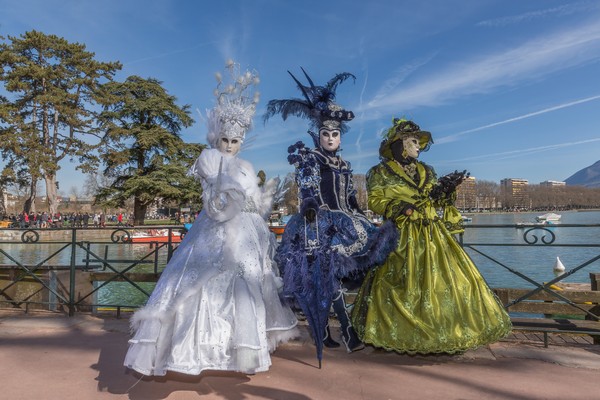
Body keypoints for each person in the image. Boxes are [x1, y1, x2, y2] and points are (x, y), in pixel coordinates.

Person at [124, 61, 298, 376]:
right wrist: (231, 200)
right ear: (217, 139)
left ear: (241, 140)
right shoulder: (209, 158)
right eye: (225, 140)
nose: (229, 146)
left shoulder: (245, 164)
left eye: (235, 141)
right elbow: (216, 198)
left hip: (248, 235)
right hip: (215, 232)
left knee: (245, 288)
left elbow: (254, 201)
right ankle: (195, 352)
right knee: (203, 286)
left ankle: (238, 352)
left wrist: (252, 207)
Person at [264, 69, 397, 366]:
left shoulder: (345, 163)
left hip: (346, 222)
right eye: (326, 134)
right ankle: (338, 332)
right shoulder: (311, 158)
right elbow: (308, 188)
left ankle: (334, 331)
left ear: (340, 137)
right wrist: (311, 207)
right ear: (319, 135)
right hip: (317, 223)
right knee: (322, 276)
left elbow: (349, 196)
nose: (330, 138)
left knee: (333, 275)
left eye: (335, 134)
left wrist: (361, 215)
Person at [351, 118, 512, 354]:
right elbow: (376, 200)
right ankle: (398, 333)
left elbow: (434, 200)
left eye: (418, 142)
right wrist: (401, 206)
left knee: (450, 283)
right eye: (413, 141)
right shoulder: (379, 172)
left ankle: (447, 332)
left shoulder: (427, 170)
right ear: (400, 144)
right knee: (399, 284)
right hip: (400, 236)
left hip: (433, 235)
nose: (418, 146)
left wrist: (445, 192)